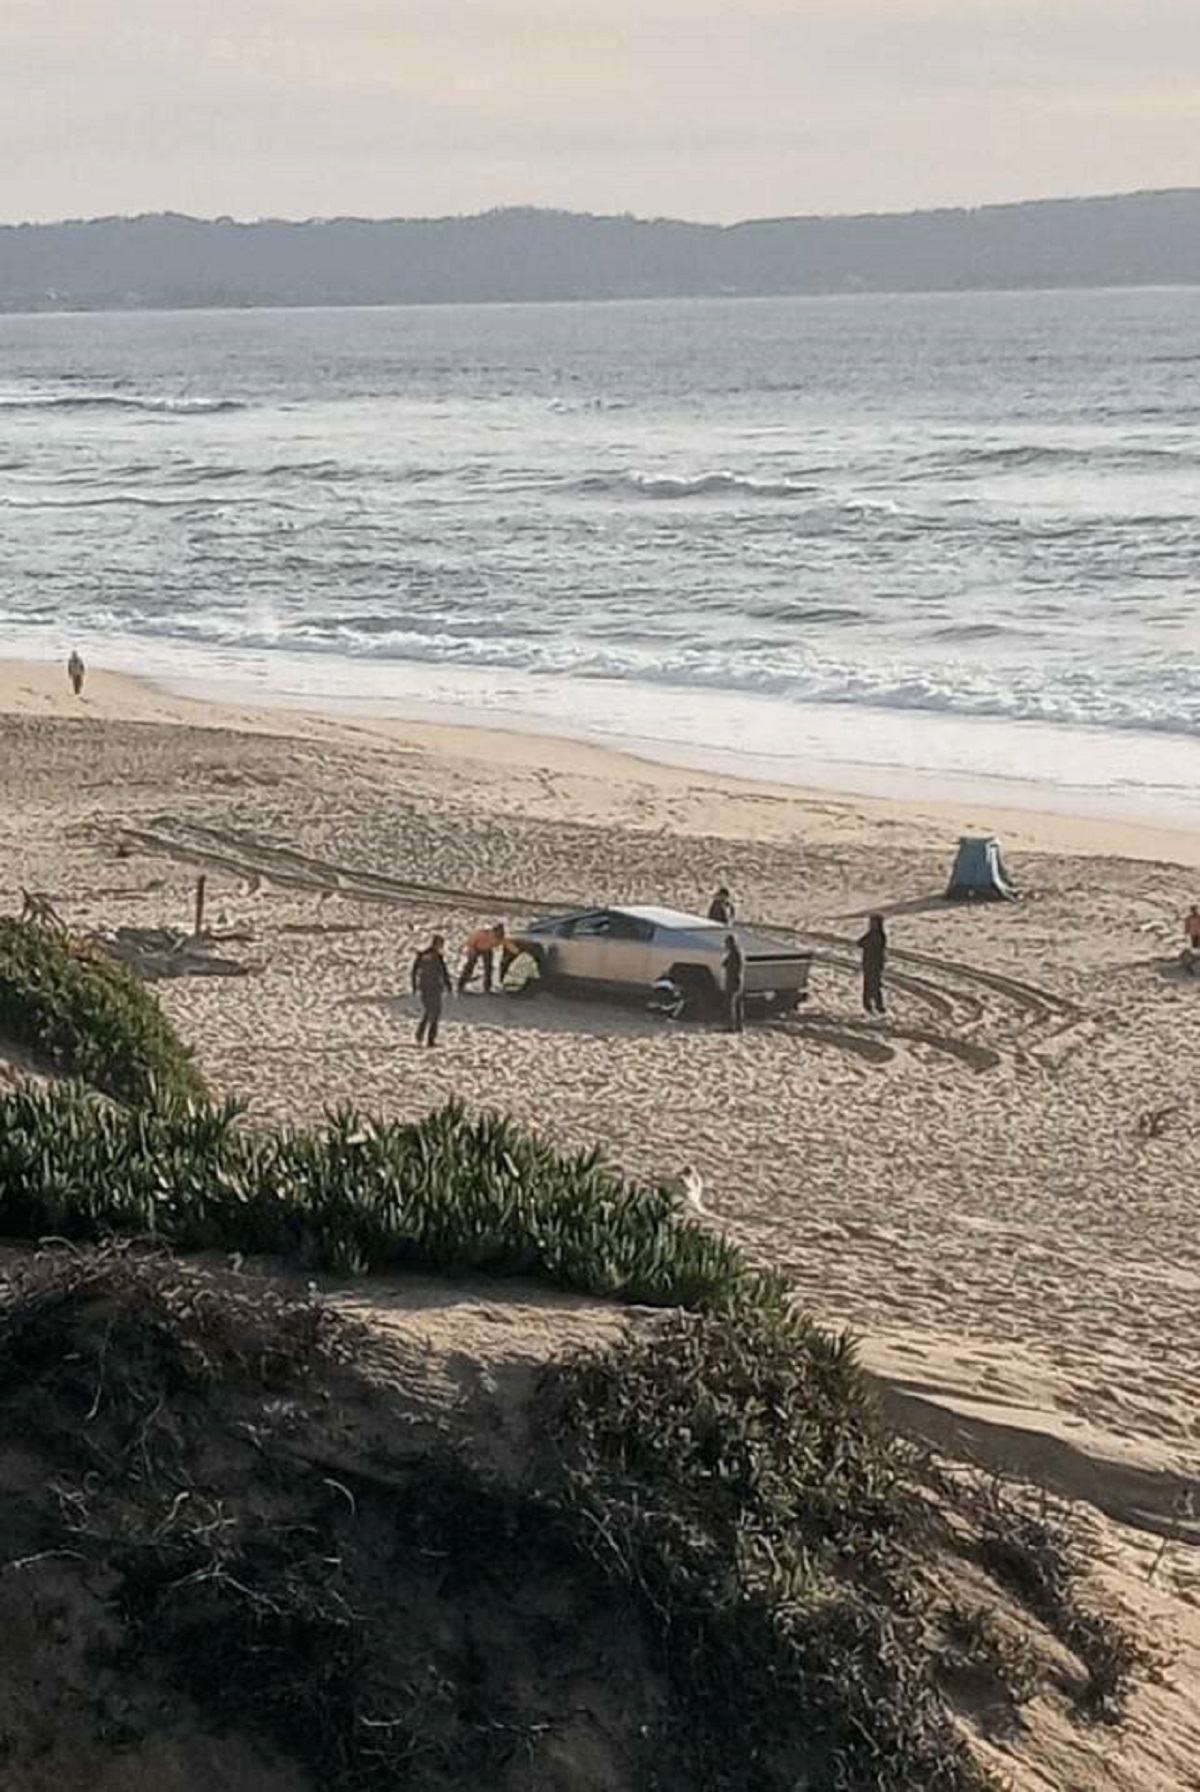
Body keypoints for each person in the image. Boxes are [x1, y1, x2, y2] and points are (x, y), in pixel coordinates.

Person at [411, 933, 452, 1047]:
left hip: (424, 986)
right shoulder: (437, 957)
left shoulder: (422, 954)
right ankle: (430, 1039)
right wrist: (448, 985)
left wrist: (414, 985)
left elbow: (414, 971)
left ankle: (420, 1034)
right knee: (435, 1012)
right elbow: (444, 972)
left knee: (429, 1011)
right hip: (434, 987)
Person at [458, 922, 505, 994]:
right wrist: (471, 949)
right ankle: (461, 985)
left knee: (488, 967)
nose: (498, 935)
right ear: (494, 931)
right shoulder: (484, 934)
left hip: (487, 950)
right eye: (498, 932)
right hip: (475, 947)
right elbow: (472, 939)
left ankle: (487, 987)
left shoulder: (500, 938)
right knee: (470, 966)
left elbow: (504, 944)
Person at [859, 914, 887, 1015]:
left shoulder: (878, 935)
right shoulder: (876, 935)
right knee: (869, 984)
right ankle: (869, 1004)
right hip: (870, 962)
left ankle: (875, 1004)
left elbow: (861, 943)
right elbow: (860, 943)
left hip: (874, 962)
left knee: (874, 985)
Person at [722, 932, 746, 1033]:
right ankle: (738, 1026)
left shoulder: (735, 953)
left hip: (734, 981)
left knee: (731, 1004)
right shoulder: (736, 952)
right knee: (737, 1005)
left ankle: (732, 1026)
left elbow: (735, 967)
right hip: (735, 980)